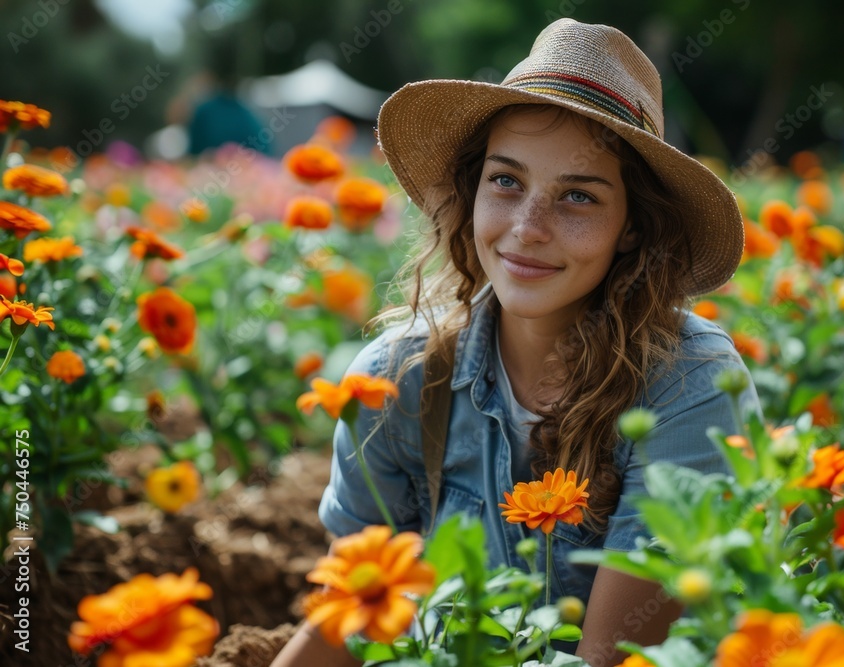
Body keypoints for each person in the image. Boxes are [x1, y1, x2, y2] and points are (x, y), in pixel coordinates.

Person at [272, 17, 759, 667]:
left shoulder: (685, 384)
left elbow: (611, 658)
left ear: (634, 228)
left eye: (579, 196)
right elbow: (347, 623)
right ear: (473, 191)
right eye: (506, 180)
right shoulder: (395, 380)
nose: (528, 228)